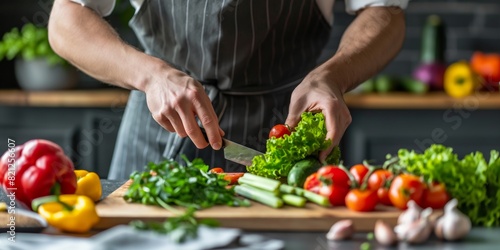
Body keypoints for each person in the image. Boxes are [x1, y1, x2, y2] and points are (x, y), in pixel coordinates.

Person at [49, 0, 407, 180]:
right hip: (159, 126)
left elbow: (385, 11)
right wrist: (151, 75)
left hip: (287, 127)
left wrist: (331, 76)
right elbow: (66, 19)